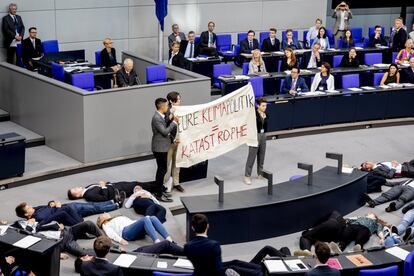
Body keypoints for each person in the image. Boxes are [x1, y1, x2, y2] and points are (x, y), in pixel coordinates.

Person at [13, 218, 102, 259]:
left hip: (68, 230)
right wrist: (57, 255)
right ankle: (104, 250)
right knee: (82, 253)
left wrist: (57, 224)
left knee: (88, 223)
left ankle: (105, 240)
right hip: (64, 241)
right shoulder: (30, 236)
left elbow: (49, 222)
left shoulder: (36, 225)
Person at [151, 98, 178, 201]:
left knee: (163, 169)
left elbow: (164, 123)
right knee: (161, 170)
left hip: (163, 147)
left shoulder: (160, 116)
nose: (168, 107)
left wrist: (170, 118)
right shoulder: (156, 118)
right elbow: (165, 131)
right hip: (159, 148)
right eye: (166, 106)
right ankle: (158, 193)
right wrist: (174, 123)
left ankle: (160, 189)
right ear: (162, 107)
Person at [97, 213, 173, 244]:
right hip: (126, 232)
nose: (105, 213)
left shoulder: (116, 217)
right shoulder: (105, 224)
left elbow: (131, 222)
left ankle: (169, 239)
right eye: (103, 214)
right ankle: (157, 242)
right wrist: (120, 240)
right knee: (146, 218)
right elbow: (110, 233)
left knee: (152, 217)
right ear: (102, 220)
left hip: (133, 227)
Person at [67, 179, 168, 202]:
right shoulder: (88, 195)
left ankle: (160, 187)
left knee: (137, 183)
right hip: (118, 190)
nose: (77, 187)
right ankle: (162, 187)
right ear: (77, 196)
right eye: (75, 189)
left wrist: (105, 184)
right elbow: (104, 198)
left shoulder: (87, 188)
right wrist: (103, 186)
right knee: (138, 185)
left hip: (116, 185)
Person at [164, 91, 185, 193]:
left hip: (179, 142)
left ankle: (176, 183)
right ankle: (164, 184)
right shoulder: (166, 112)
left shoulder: (182, 110)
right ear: (172, 101)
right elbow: (165, 124)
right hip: (169, 143)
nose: (180, 101)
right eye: (178, 99)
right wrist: (172, 115)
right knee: (166, 164)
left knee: (177, 164)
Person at [244, 97, 268, 185]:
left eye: (265, 105)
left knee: (262, 155)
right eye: (263, 106)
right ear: (258, 105)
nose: (265, 107)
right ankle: (247, 176)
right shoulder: (253, 114)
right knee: (252, 157)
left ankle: (260, 174)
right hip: (255, 136)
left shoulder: (266, 114)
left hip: (263, 136)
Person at [15, 201, 84, 227]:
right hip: (63, 213)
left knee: (73, 206)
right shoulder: (38, 217)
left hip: (62, 207)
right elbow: (54, 216)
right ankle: (82, 224)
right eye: (28, 208)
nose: (31, 206)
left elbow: (46, 206)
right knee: (66, 209)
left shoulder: (34, 209)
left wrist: (51, 203)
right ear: (26, 214)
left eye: (29, 205)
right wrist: (58, 208)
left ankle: (82, 223)